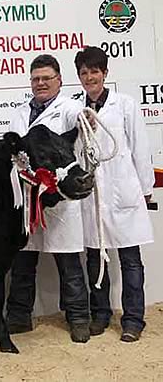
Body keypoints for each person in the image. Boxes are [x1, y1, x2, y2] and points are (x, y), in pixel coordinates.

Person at [0, 54, 91, 343]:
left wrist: (87, 119)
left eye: (47, 78)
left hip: (59, 199)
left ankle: (79, 318)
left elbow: (81, 120)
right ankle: (19, 318)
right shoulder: (20, 111)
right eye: (36, 79)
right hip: (26, 199)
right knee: (22, 261)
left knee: (69, 262)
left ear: (59, 80)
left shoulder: (71, 108)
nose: (41, 83)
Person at [74, 46, 154, 342]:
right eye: (84, 72)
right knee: (95, 260)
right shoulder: (77, 111)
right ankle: (101, 314)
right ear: (79, 77)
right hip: (94, 199)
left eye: (95, 71)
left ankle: (133, 319)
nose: (89, 77)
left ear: (105, 73)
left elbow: (140, 148)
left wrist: (145, 190)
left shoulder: (125, 105)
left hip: (123, 194)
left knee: (130, 259)